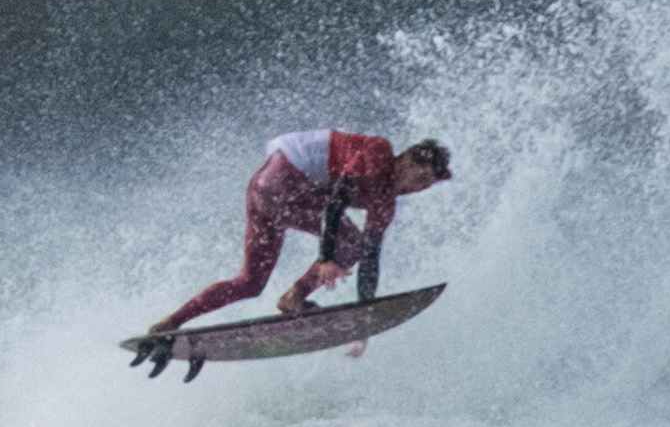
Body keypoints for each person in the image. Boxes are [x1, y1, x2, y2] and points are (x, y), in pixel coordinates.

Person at [151, 131, 452, 332]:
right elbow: (337, 200)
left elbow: (370, 258)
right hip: (283, 182)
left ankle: (170, 323)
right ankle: (294, 298)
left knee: (250, 282)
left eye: (426, 186)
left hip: (263, 192)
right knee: (350, 242)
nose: (417, 189)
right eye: (420, 178)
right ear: (406, 160)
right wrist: (327, 258)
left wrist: (365, 314)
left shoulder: (385, 205)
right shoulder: (378, 152)